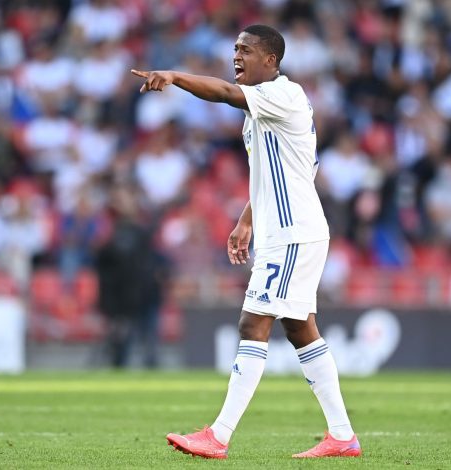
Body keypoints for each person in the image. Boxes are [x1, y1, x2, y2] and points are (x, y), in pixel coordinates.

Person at [131, 25, 360, 459]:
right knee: (299, 328)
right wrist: (246, 219)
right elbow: (292, 171)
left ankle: (218, 435)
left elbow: (221, 92)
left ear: (271, 60)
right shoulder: (262, 112)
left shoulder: (283, 95)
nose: (236, 56)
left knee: (253, 324)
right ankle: (342, 435)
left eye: (246, 50)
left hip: (294, 234)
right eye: (234, 49)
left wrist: (176, 77)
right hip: (286, 233)